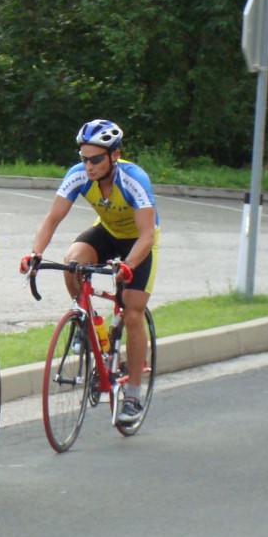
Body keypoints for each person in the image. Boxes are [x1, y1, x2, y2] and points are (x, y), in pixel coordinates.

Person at [21, 119, 158, 424]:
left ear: (115, 155)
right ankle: (90, 324)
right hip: (108, 233)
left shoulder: (134, 179)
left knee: (133, 310)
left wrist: (129, 265)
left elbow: (147, 235)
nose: (88, 166)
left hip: (139, 242)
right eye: (83, 158)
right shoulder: (78, 175)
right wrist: (35, 253)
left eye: (95, 159)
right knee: (72, 263)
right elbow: (52, 218)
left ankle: (133, 396)